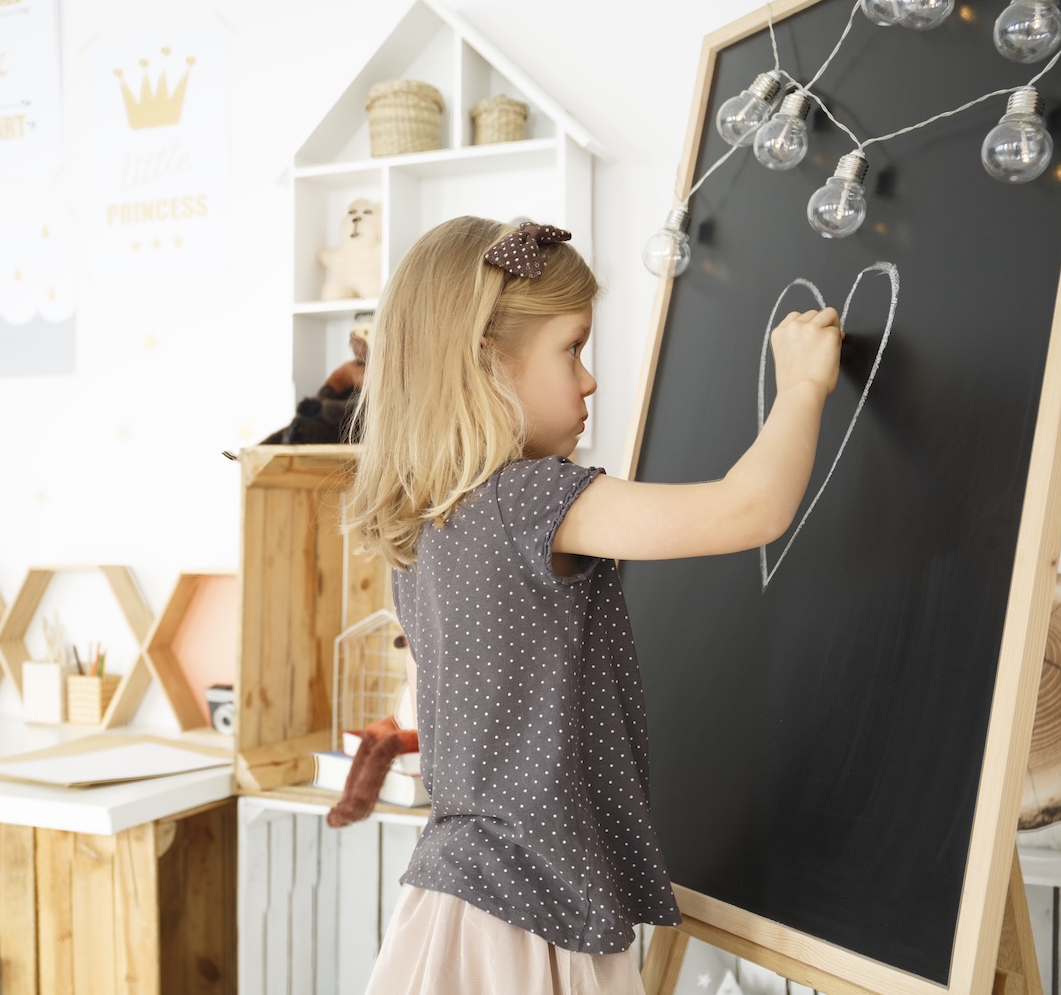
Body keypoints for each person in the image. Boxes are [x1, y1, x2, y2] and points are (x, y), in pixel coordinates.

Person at [346, 216, 842, 994]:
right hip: (529, 909)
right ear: (485, 362)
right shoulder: (533, 501)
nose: (589, 379)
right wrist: (805, 386)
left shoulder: (431, 522)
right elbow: (749, 510)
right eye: (571, 349)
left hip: (456, 898)